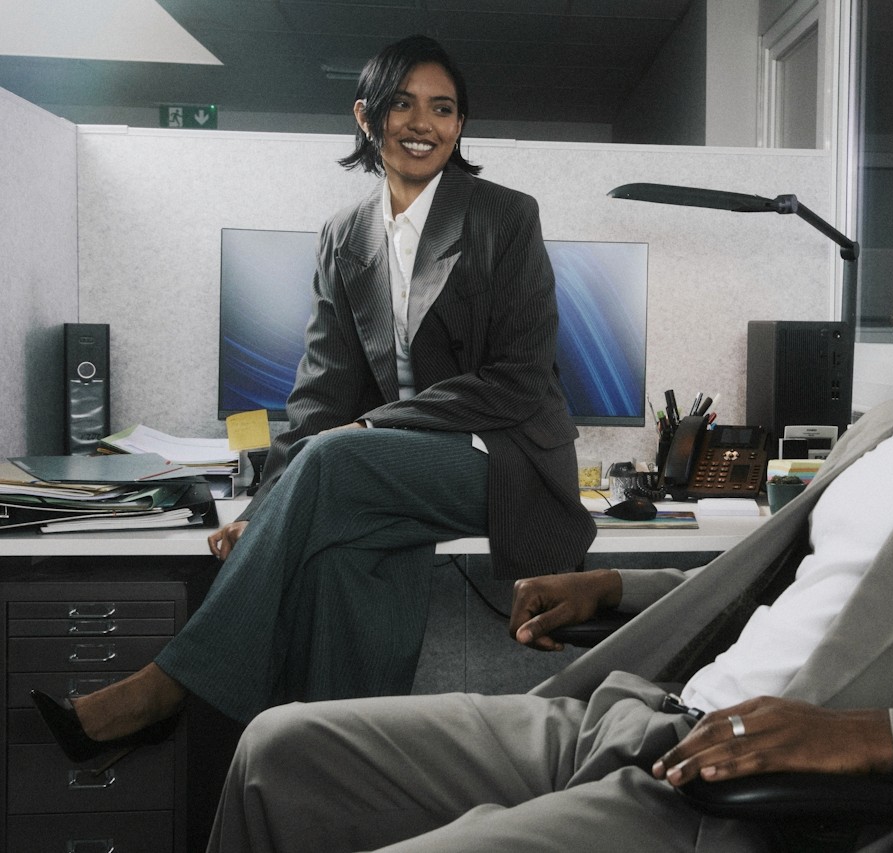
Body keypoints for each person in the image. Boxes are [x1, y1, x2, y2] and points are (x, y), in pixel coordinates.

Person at [205, 182, 893, 852]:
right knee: (276, 748)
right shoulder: (888, 425)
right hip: (634, 715)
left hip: (736, 796)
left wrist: (865, 741)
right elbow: (795, 599)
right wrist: (618, 585)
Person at [31, 35, 595, 762]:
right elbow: (321, 392)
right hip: (384, 467)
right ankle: (325, 769)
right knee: (338, 557)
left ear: (459, 127)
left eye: (444, 108)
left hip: (503, 459)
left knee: (340, 458)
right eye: (403, 103)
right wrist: (266, 512)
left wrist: (372, 423)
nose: (424, 122)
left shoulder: (505, 217)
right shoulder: (344, 235)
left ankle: (165, 688)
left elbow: (520, 376)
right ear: (367, 116)